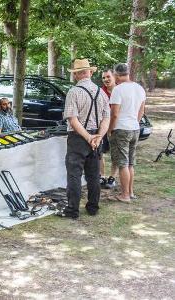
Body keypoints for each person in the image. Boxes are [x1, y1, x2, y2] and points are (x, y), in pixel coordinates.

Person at [58, 59, 110, 219]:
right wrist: (99, 137)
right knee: (93, 175)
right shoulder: (101, 92)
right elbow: (106, 119)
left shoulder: (74, 92)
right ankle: (93, 207)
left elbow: (73, 120)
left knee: (74, 174)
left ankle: (73, 210)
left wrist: (89, 137)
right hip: (96, 137)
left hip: (79, 137)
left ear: (76, 75)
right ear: (90, 72)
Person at [108, 63, 146, 203]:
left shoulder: (118, 90)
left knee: (123, 163)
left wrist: (110, 129)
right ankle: (130, 192)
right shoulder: (139, 88)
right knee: (130, 163)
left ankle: (124, 195)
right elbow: (141, 111)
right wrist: (134, 122)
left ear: (116, 75)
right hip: (134, 128)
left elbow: (114, 114)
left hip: (121, 128)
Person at [99, 69, 118, 189]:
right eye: (103, 78)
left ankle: (112, 177)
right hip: (104, 126)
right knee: (100, 152)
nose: (106, 79)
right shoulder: (100, 92)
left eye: (108, 77)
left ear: (114, 77)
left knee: (115, 154)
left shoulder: (120, 90)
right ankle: (101, 176)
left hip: (117, 126)